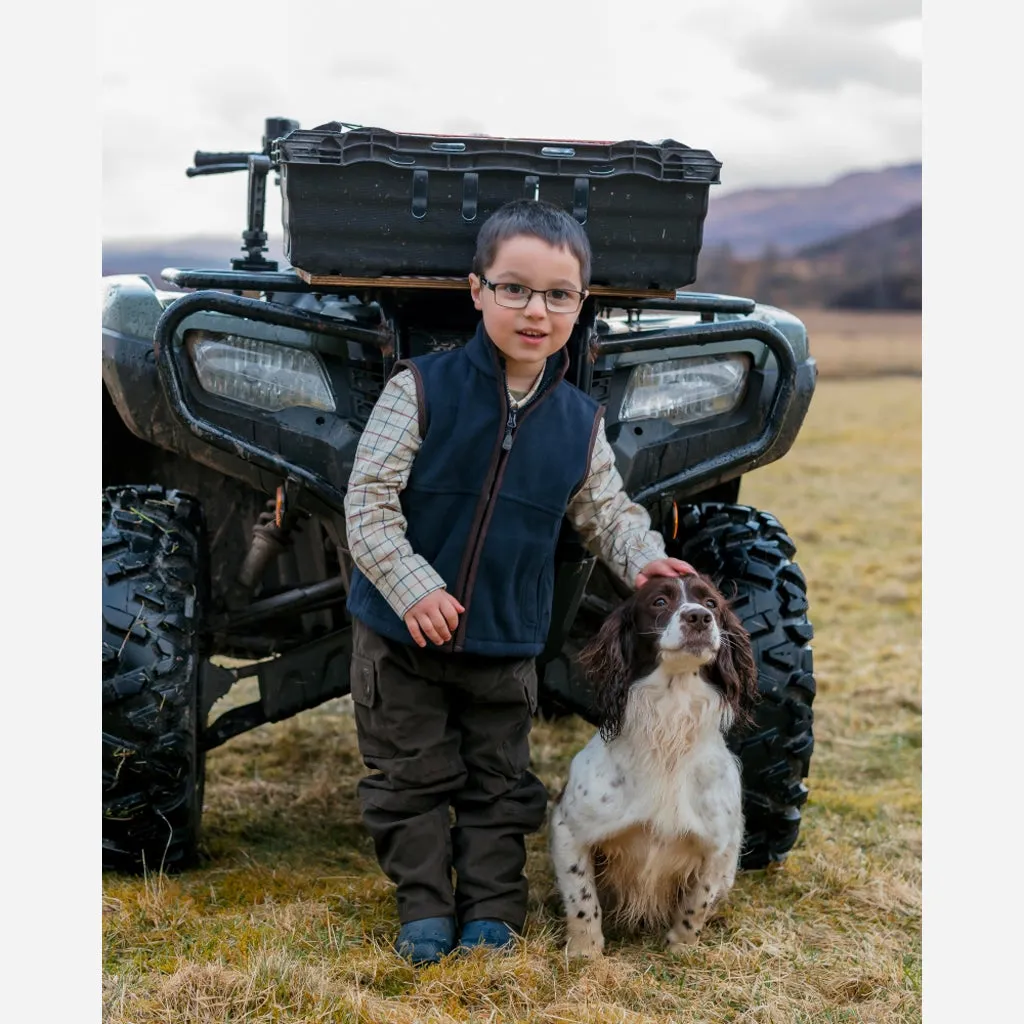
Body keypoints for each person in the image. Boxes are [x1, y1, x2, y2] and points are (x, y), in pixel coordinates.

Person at [343, 198, 694, 964]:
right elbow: (367, 504)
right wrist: (413, 588)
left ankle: (493, 912)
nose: (536, 311)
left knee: (500, 783)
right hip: (401, 637)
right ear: (477, 291)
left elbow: (608, 510)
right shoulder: (421, 389)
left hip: (505, 642)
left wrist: (642, 560)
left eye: (558, 295)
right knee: (409, 778)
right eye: (515, 289)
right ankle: (426, 910)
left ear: (581, 303)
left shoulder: (578, 420)